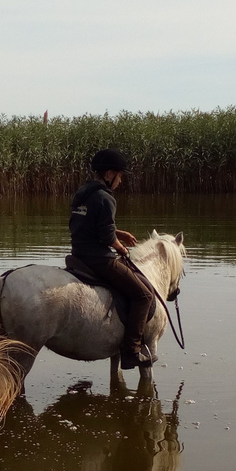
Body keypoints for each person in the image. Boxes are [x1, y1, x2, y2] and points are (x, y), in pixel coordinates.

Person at [69, 148, 155, 369]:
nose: (121, 180)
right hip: (99, 259)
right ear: (108, 174)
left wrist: (119, 232)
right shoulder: (105, 197)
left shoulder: (84, 193)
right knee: (144, 295)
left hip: (79, 255)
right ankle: (131, 351)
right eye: (119, 174)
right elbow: (105, 237)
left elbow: (88, 226)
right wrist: (122, 249)